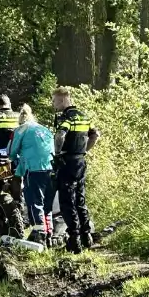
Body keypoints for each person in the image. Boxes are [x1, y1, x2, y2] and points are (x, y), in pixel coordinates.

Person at [51, 86, 99, 253]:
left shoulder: (67, 117)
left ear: (63, 99)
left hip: (67, 161)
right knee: (80, 199)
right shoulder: (84, 116)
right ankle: (87, 236)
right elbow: (95, 135)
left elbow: (60, 135)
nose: (53, 104)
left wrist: (57, 154)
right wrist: (84, 150)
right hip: (80, 162)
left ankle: (74, 239)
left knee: (67, 201)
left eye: (55, 100)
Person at [8, 104, 54, 243]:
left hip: (34, 168)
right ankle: (49, 232)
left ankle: (39, 233)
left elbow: (11, 152)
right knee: (47, 202)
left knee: (34, 201)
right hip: (51, 167)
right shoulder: (44, 129)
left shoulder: (21, 130)